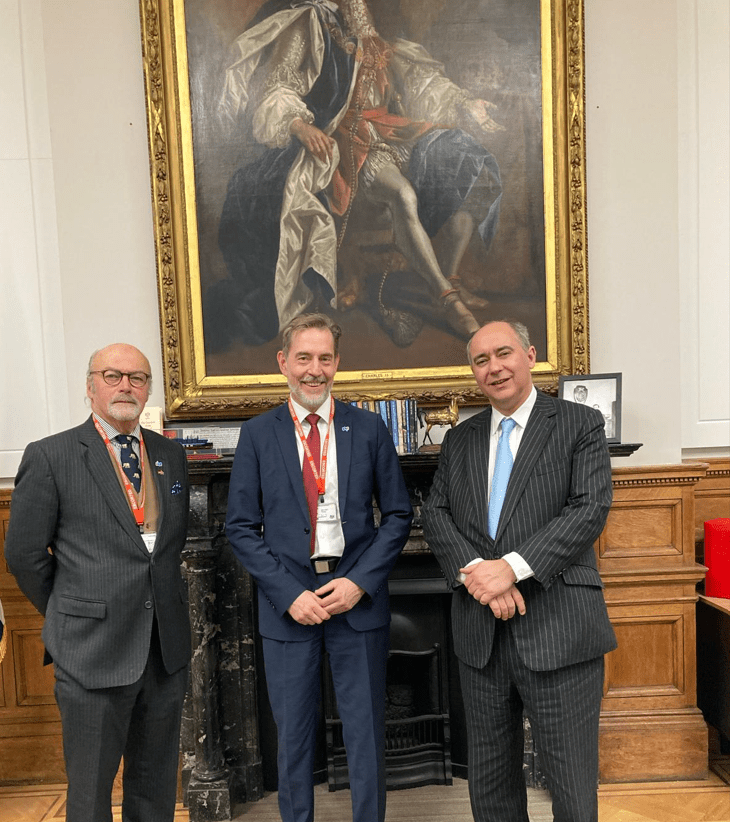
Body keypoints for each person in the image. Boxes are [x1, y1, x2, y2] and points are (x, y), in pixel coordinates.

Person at [210, 0, 503, 349]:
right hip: (348, 139)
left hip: (393, 130)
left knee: (466, 162)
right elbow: (279, 85)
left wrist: (465, 103)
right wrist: (299, 125)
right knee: (403, 195)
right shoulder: (311, 22)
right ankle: (446, 299)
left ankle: (451, 273)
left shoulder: (374, 32)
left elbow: (421, 80)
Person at [422, 320, 617, 822]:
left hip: (559, 629)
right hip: (480, 636)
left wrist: (510, 569)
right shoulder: (460, 439)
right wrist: (480, 577)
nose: (494, 367)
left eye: (503, 353)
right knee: (490, 782)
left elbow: (588, 509)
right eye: (481, 360)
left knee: (571, 783)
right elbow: (436, 515)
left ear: (530, 355)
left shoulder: (579, 423)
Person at [226, 313, 413, 822]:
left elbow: (398, 514)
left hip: (357, 603)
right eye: (303, 358)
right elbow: (241, 527)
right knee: (293, 739)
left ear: (338, 363)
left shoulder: (369, 428)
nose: (314, 370)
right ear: (283, 362)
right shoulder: (258, 434)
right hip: (290, 609)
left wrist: (359, 582)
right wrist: (289, 594)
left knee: (365, 733)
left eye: (324, 358)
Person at [5, 344, 191, 822]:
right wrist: (71, 610)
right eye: (113, 375)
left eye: (137, 377)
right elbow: (24, 555)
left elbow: (167, 549)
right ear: (90, 386)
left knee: (154, 790)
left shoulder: (170, 454)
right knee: (89, 795)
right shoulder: (51, 456)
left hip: (162, 651)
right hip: (90, 650)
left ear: (149, 388)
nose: (126, 385)